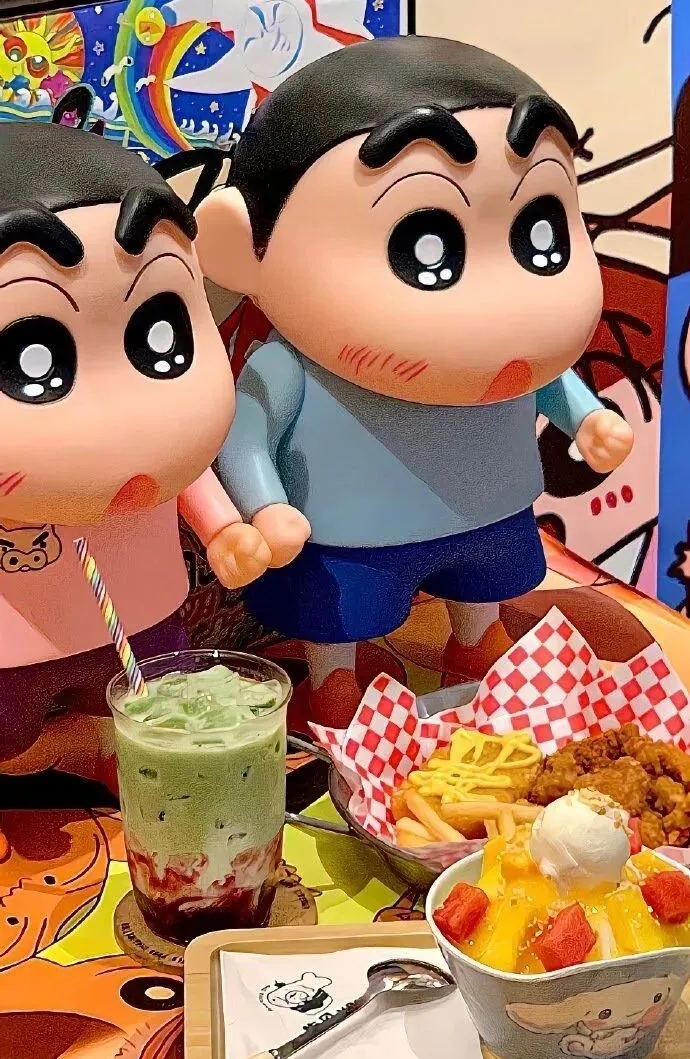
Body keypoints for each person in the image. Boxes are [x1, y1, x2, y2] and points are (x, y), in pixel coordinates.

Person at [196, 37, 633, 725]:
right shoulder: (285, 368)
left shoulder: (514, 361)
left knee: (487, 580)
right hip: (347, 536)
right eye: (423, 249)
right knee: (340, 612)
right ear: (239, 247)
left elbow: (549, 380)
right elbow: (244, 437)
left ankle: (476, 639)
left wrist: (587, 416)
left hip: (490, 512)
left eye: (541, 233)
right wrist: (266, 504)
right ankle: (334, 678)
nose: (506, 301)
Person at [0, 89, 269, 766]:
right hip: (13, 640)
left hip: (141, 614)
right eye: (33, 359)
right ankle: (69, 753)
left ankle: (103, 756)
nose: (126, 414)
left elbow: (189, 479)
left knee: (153, 709)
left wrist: (225, 530)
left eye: (161, 336)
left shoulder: (166, 450)